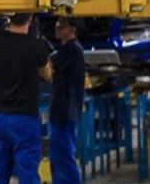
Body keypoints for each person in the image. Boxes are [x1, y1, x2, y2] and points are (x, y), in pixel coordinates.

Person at [0, 13, 52, 184]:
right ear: (30, 19)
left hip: (0, 117)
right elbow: (48, 74)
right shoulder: (35, 45)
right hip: (24, 119)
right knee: (28, 173)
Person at [48, 17, 85, 184]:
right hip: (60, 110)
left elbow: (50, 63)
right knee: (57, 157)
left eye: (62, 26)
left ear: (72, 29)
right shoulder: (65, 49)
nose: (58, 29)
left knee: (64, 156)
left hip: (65, 112)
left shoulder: (73, 49)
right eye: (57, 26)